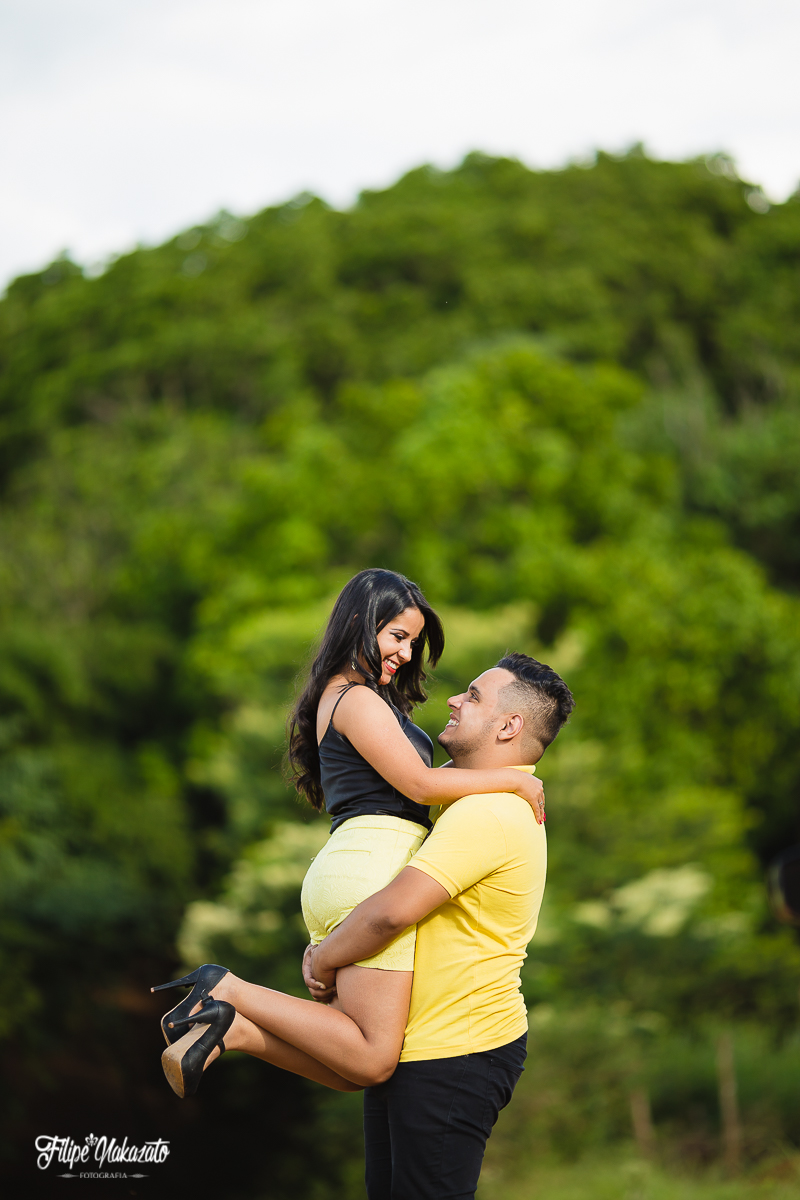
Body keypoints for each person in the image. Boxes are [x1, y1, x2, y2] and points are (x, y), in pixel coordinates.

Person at [152, 569, 545, 1097]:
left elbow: (417, 783)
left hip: (351, 864)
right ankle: (226, 988)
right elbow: (420, 784)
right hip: (372, 866)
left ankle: (235, 1028)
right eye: (398, 636)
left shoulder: (351, 698)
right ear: (361, 621)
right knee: (374, 1057)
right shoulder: (355, 698)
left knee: (350, 1067)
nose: (406, 653)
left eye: (414, 642)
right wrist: (516, 781)